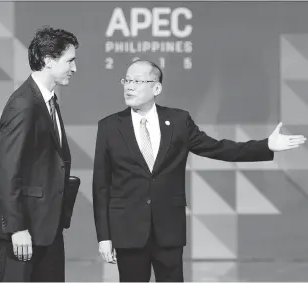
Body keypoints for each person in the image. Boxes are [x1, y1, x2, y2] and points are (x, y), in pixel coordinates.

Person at [93, 59, 306, 282]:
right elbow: (101, 186)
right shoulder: (109, 126)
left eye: (137, 81)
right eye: (126, 80)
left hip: (169, 230)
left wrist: (266, 146)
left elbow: (217, 148)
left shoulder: (177, 120)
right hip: (128, 231)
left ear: (156, 88)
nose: (129, 86)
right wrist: (104, 237)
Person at [0, 26, 80, 282]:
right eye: (70, 61)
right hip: (23, 229)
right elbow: (8, 170)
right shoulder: (24, 104)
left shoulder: (47, 100)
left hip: (46, 226)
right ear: (49, 61)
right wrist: (17, 228)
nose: (74, 68)